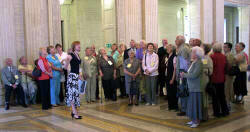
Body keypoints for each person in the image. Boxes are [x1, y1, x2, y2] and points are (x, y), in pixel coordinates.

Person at [180, 46, 204, 128]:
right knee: (192, 104)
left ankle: (196, 121)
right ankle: (193, 119)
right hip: (192, 87)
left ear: (197, 54)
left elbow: (194, 75)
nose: (191, 54)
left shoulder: (199, 62)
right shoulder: (194, 62)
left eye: (193, 52)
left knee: (195, 104)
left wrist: (184, 75)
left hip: (196, 87)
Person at [210, 43, 229, 117]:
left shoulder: (212, 56)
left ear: (213, 49)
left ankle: (216, 112)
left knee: (215, 97)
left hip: (214, 78)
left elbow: (211, 68)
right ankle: (225, 111)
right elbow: (226, 67)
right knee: (222, 96)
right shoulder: (224, 56)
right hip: (222, 78)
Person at [65, 41, 82, 119]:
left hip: (76, 76)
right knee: (72, 95)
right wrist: (67, 60)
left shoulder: (77, 55)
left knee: (75, 94)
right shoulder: (71, 55)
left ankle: (74, 112)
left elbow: (77, 67)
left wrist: (79, 75)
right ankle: (75, 113)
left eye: (79, 45)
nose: (79, 46)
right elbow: (65, 67)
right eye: (77, 45)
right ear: (74, 47)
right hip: (72, 77)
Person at [175, 35, 191, 116]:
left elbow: (185, 62)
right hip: (182, 72)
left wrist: (181, 74)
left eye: (176, 39)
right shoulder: (182, 47)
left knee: (183, 91)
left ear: (180, 41)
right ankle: (183, 108)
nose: (175, 41)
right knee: (182, 91)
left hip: (183, 73)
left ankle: (184, 109)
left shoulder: (183, 48)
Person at [200, 44, 213, 121]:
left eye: (201, 47)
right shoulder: (201, 57)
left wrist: (203, 70)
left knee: (204, 98)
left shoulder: (207, 58)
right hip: (199, 80)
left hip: (204, 80)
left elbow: (210, 71)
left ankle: (205, 116)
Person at [165, 44, 178, 110]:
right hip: (168, 76)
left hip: (172, 77)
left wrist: (172, 79)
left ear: (172, 49)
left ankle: (175, 106)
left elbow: (175, 69)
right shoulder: (168, 56)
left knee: (173, 92)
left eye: (168, 48)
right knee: (169, 92)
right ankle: (170, 106)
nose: (167, 49)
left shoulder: (174, 57)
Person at [224, 42, 236, 109]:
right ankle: (227, 102)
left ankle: (228, 103)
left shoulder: (230, 55)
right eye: (223, 46)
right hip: (226, 74)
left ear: (229, 48)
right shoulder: (226, 54)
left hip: (228, 74)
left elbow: (229, 65)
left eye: (225, 47)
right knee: (226, 88)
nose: (224, 48)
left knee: (227, 88)